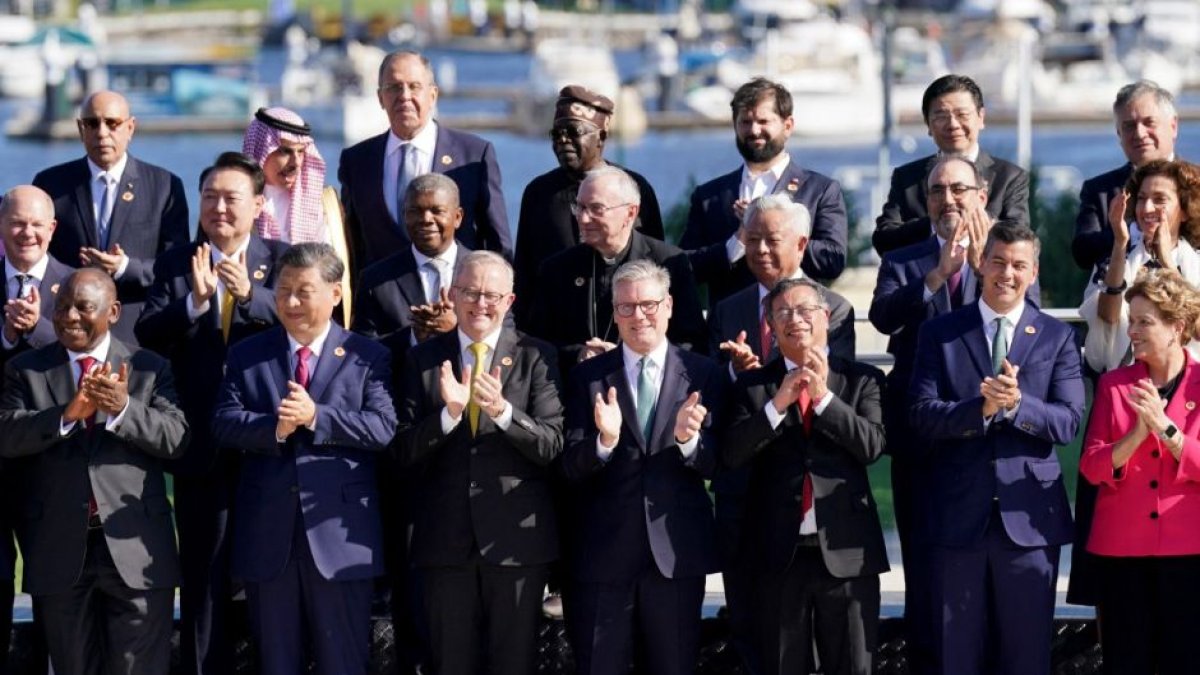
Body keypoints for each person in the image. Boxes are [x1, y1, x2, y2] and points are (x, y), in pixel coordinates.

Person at [869, 156, 1039, 675]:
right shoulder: (905, 260)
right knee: (926, 572)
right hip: (925, 438)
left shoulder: (1008, 260)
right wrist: (938, 274)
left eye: (960, 189)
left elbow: (1033, 327)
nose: (949, 200)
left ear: (982, 195)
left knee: (991, 575)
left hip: (990, 442)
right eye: (938, 190)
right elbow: (882, 317)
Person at [134, 152, 289, 675]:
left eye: (231, 198)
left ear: (258, 205)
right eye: (210, 197)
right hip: (200, 446)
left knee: (272, 577)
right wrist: (195, 305)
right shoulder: (178, 262)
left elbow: (307, 324)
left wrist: (253, 297)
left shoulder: (283, 259)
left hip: (267, 445)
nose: (219, 208)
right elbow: (148, 333)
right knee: (204, 579)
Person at [212, 243, 396, 675]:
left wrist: (317, 417)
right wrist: (274, 429)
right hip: (269, 538)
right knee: (276, 663)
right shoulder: (247, 354)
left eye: (304, 291)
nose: (291, 302)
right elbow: (223, 421)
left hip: (340, 539)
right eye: (283, 290)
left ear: (335, 293)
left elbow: (383, 428)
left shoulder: (367, 356)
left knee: (345, 662)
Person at [909, 224, 1085, 675]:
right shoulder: (940, 333)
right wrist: (980, 409)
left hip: (1030, 522)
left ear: (1034, 271)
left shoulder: (1057, 336)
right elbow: (923, 415)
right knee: (957, 656)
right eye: (999, 261)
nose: (1007, 273)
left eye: (1019, 265)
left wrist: (1018, 405)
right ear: (981, 263)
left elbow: (1067, 422)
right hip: (956, 519)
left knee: (1026, 658)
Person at [0, 267, 189, 675]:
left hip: (136, 550)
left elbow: (176, 438)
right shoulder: (25, 369)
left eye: (83, 307)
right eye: (62, 307)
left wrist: (124, 410)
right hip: (59, 553)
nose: (69, 317)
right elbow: (8, 436)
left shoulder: (148, 367)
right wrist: (65, 416)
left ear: (114, 311)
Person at [704, 193, 855, 675]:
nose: (761, 250)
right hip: (742, 497)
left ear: (803, 243)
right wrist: (739, 377)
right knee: (754, 638)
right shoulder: (726, 310)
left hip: (801, 500)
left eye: (773, 240)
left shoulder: (834, 309)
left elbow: (829, 395)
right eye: (752, 240)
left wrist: (765, 376)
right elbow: (716, 404)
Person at [395, 250, 563, 675]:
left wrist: (505, 413)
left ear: (509, 301)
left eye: (492, 295)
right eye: (470, 292)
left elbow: (552, 445)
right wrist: (448, 416)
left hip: (515, 547)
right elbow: (399, 451)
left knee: (513, 664)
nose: (480, 303)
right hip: (444, 544)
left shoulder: (536, 356)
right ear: (452, 294)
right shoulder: (423, 360)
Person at [562, 259, 723, 675]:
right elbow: (568, 466)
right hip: (602, 558)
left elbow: (722, 464)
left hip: (674, 557)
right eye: (626, 307)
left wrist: (690, 443)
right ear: (614, 312)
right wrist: (605, 442)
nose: (639, 316)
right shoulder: (587, 378)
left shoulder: (704, 374)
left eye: (649, 304)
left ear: (669, 305)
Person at [724, 277, 888, 675]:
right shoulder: (752, 387)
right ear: (771, 327)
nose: (793, 319)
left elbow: (871, 446)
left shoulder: (861, 379)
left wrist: (824, 400)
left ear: (825, 317)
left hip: (847, 552)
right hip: (778, 556)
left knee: (852, 665)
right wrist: (777, 405)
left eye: (804, 310)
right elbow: (732, 455)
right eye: (782, 313)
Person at [1078, 268, 1200, 675]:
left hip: (1189, 554)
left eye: (1145, 321)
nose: (1133, 330)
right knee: (1125, 662)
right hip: (1121, 554)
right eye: (1133, 320)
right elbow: (1092, 466)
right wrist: (1135, 434)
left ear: (1176, 327)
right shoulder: (1114, 385)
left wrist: (1168, 430)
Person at [32, 90, 190, 345]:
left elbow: (177, 267)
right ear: (80, 128)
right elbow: (37, 257)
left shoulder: (164, 186)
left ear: (130, 127)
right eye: (92, 123)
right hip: (66, 332)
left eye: (112, 123)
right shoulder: (51, 184)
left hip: (135, 334)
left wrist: (124, 268)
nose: (102, 133)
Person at [680, 77, 847, 310]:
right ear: (735, 126)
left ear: (787, 126)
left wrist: (775, 232)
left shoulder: (820, 190)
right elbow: (685, 268)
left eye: (763, 121)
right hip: (731, 332)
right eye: (745, 122)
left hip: (796, 329)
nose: (754, 130)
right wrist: (737, 242)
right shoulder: (709, 196)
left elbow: (833, 261)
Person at [339, 51, 510, 270]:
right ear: (380, 98)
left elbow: (498, 244)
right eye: (394, 87)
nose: (404, 96)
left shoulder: (473, 155)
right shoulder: (357, 161)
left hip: (454, 297)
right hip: (380, 300)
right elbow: (351, 245)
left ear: (433, 95)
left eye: (414, 86)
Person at [513, 85, 664, 329]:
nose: (563, 141)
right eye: (556, 134)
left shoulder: (634, 189)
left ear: (601, 137)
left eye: (573, 132)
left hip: (620, 328)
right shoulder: (538, 193)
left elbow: (655, 262)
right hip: (555, 334)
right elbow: (524, 274)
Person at [531, 166, 706, 376]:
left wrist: (633, 357)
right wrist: (579, 353)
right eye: (579, 207)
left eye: (596, 209)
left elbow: (692, 343)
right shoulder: (557, 270)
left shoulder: (669, 263)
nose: (583, 218)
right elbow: (537, 343)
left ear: (630, 213)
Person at [0, 185, 73, 675]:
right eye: (16, 223)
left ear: (52, 230)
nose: (26, 233)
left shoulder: (76, 284)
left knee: (57, 583)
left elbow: (96, 360)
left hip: (56, 460)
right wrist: (7, 333)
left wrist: (41, 331)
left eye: (36, 224)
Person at [873, 74, 1029, 255]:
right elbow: (884, 239)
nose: (953, 124)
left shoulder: (1009, 176)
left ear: (981, 117)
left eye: (962, 114)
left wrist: (977, 223)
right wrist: (938, 221)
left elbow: (1019, 237)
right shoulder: (907, 178)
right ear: (928, 125)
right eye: (941, 116)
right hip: (924, 280)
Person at [1079, 159, 1200, 374]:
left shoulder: (1194, 262)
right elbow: (1108, 317)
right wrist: (1119, 244)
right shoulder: (1116, 256)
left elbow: (1196, 328)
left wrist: (1167, 264)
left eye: (1160, 200)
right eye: (1141, 199)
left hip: (1188, 383)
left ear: (1184, 210)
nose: (1147, 208)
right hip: (1125, 377)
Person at [242, 106, 355, 324]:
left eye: (301, 152)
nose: (296, 162)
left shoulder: (326, 204)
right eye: (284, 151)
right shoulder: (234, 203)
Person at [353, 173, 469, 364]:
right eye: (415, 211)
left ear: (457, 217)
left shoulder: (488, 273)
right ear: (404, 215)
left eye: (437, 211)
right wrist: (414, 336)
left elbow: (506, 338)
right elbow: (362, 352)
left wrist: (459, 330)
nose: (426, 219)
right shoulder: (376, 279)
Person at [1073, 81, 1180, 272]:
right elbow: (1083, 252)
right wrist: (1132, 231)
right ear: (1119, 135)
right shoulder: (1100, 191)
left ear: (1173, 126)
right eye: (1129, 126)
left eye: (1149, 123)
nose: (1139, 133)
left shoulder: (1195, 183)